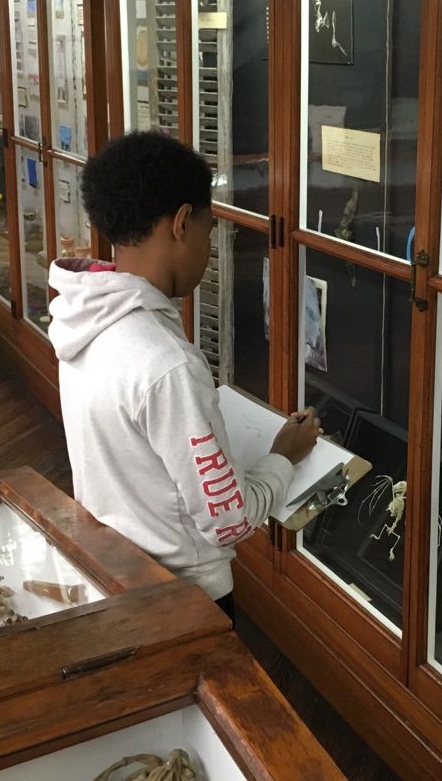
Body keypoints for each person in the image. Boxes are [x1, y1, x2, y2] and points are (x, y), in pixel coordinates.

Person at [48, 130, 321, 620]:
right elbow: (230, 521)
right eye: (209, 231)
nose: (210, 249)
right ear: (180, 224)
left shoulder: (79, 318)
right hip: (183, 597)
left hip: (112, 569)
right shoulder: (165, 362)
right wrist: (284, 456)